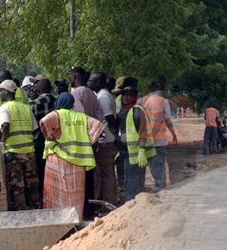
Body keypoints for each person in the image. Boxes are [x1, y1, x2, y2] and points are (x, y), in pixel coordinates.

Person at [40, 92, 105, 213]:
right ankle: (75, 218)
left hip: (58, 159)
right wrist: (90, 141)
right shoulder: (81, 117)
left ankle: (58, 218)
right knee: (76, 192)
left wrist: (50, 137)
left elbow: (43, 122)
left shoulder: (57, 114)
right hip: (78, 162)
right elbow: (99, 127)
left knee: (56, 193)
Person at [0, 80, 42, 211]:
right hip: (29, 153)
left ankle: (22, 213)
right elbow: (35, 130)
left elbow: (5, 125)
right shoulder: (26, 107)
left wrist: (2, 142)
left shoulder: (4, 108)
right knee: (33, 184)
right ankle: (36, 210)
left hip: (13, 154)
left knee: (17, 187)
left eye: (0, 90)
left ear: (6, 91)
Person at [140, 78, 178, 192]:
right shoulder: (163, 101)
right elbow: (167, 120)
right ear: (159, 88)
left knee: (150, 162)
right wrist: (174, 135)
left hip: (144, 138)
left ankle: (153, 184)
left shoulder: (142, 101)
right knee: (159, 162)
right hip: (159, 139)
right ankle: (158, 185)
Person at [118, 85, 155, 203]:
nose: (125, 98)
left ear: (134, 97)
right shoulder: (124, 111)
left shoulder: (137, 110)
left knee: (134, 183)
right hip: (126, 153)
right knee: (128, 182)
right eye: (124, 95)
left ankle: (135, 207)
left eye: (129, 95)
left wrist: (142, 150)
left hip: (136, 155)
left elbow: (143, 130)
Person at [89, 72, 119, 208]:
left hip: (105, 142)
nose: (88, 83)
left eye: (91, 81)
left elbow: (110, 119)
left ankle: (109, 202)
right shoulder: (104, 95)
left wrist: (107, 134)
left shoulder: (102, 97)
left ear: (98, 83)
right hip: (107, 140)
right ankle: (108, 201)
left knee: (107, 174)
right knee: (105, 173)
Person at [29, 77, 57, 190]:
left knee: (41, 171)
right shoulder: (58, 101)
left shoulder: (32, 105)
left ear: (38, 90)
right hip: (57, 142)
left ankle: (43, 195)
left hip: (40, 142)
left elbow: (32, 127)